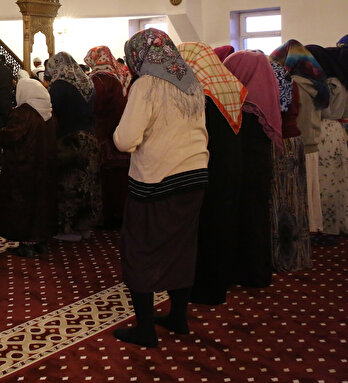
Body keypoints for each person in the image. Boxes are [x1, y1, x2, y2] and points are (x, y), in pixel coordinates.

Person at [112, 29, 208, 348]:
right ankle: (178, 318)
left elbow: (125, 140)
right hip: (195, 175)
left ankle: (145, 330)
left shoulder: (147, 85)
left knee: (140, 250)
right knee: (182, 248)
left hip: (157, 178)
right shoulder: (191, 80)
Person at [178, 42, 247, 304]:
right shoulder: (226, 81)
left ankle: (207, 289)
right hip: (231, 159)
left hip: (210, 163)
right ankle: (222, 278)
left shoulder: (200, 88)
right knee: (224, 221)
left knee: (209, 226)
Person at [222, 50, 280, 288]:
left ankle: (246, 272)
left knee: (246, 216)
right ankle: (257, 272)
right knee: (256, 216)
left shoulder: (244, 105)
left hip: (244, 169)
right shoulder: (264, 94)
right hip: (258, 167)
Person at [271, 40, 330, 235]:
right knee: (311, 190)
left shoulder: (291, 84)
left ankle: (302, 230)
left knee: (297, 192)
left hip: (297, 143)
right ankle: (314, 227)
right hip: (313, 141)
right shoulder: (318, 84)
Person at [0, 77, 57, 257]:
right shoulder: (49, 113)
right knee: (41, 205)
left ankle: (26, 245)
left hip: (23, 168)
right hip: (44, 168)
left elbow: (11, 136)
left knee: (23, 207)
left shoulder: (24, 113)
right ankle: (40, 241)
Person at [44, 51, 99, 241]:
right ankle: (84, 226)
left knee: (68, 185)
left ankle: (67, 229)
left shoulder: (60, 84)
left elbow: (51, 111)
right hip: (90, 139)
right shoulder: (86, 81)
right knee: (87, 184)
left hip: (69, 141)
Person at [267, 60, 311, 271]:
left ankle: (281, 258)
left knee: (280, 201)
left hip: (279, 143)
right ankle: (297, 255)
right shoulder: (289, 82)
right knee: (296, 200)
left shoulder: (269, 84)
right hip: (295, 141)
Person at [83, 45, 130, 229]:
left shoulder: (100, 80)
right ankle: (120, 213)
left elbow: (94, 107)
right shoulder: (119, 75)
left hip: (104, 133)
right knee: (120, 177)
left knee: (108, 178)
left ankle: (110, 215)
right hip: (119, 130)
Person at [306, 45, 348, 235]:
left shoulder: (329, 84)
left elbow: (325, 111)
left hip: (325, 132)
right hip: (337, 132)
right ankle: (335, 223)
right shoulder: (342, 81)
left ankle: (325, 226)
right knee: (338, 179)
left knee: (325, 180)